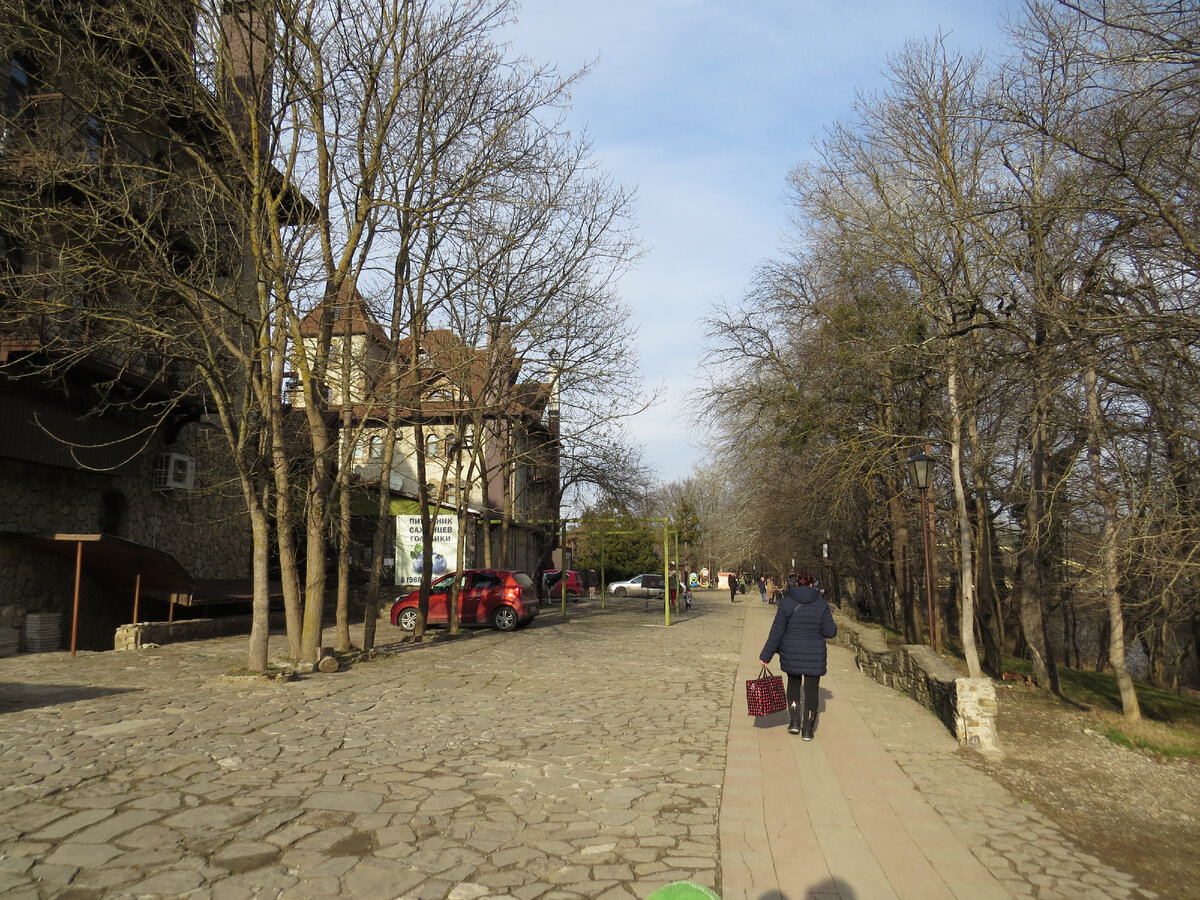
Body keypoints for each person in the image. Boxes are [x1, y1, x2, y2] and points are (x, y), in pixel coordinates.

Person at [759, 571, 837, 740]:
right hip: (814, 654)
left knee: (794, 686)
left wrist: (766, 655)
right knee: (811, 691)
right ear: (811, 585)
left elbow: (776, 632)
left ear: (796, 585)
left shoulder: (786, 603)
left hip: (791, 652)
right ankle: (808, 730)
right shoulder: (822, 605)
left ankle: (794, 723)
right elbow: (831, 632)